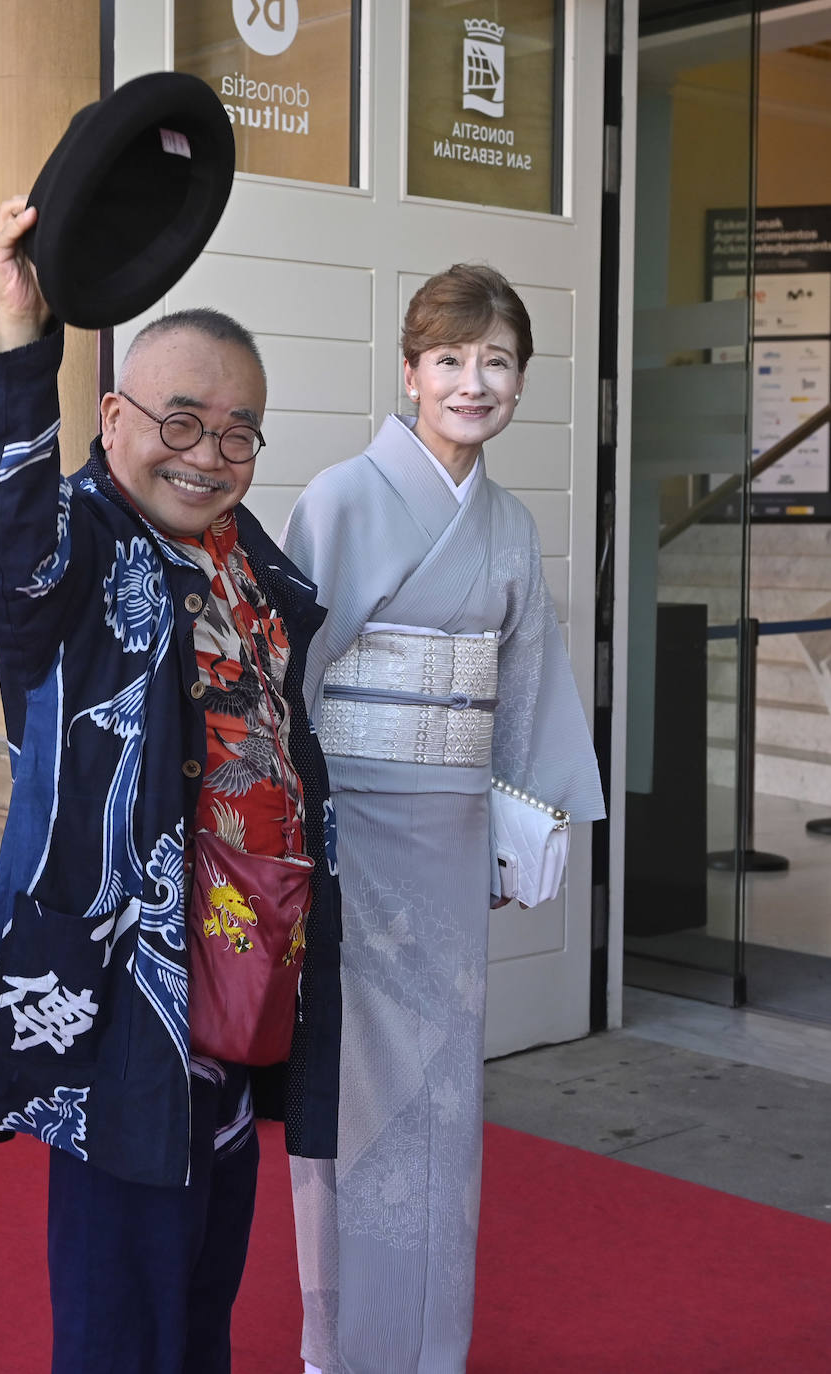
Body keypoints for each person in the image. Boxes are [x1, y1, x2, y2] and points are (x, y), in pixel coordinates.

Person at [0, 197, 341, 1374]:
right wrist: (19, 328)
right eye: (180, 420)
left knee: (206, 1268)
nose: (208, 455)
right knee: (123, 1293)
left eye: (237, 432)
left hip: (244, 958)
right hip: (126, 981)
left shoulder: (255, 566)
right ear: (112, 420)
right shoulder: (76, 546)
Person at [282, 264, 604, 1374]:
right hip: (354, 834)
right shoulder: (339, 499)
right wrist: (295, 828)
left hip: (454, 830)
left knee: (444, 1094)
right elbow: (290, 682)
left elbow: (526, 682)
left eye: (497, 362)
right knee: (358, 1088)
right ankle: (342, 1343)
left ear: (520, 382)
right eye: (452, 360)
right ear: (411, 372)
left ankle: (427, 1348)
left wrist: (529, 805)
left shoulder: (508, 526)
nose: (474, 382)